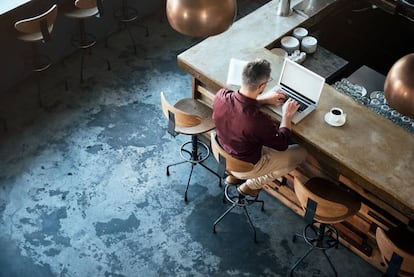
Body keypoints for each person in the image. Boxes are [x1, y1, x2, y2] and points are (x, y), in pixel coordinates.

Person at [212, 58, 308, 197]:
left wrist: (263, 100)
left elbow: (240, 107)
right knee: (301, 153)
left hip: (224, 152)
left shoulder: (221, 96)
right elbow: (281, 143)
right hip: (248, 165)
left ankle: (234, 174)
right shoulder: (258, 121)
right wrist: (286, 115)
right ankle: (252, 184)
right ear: (262, 86)